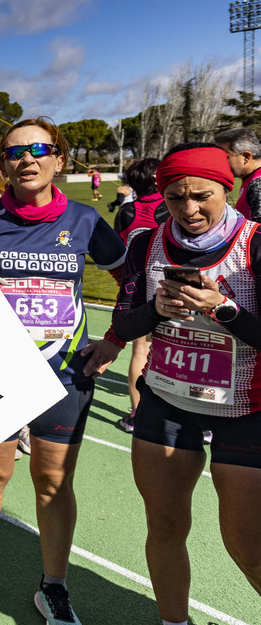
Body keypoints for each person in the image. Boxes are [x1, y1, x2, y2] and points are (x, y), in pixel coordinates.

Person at [0, 118, 126, 625]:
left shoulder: (87, 220)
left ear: (59, 160)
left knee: (52, 482)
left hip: (64, 375)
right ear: (2, 164)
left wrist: (113, 339)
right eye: (13, 152)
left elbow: (132, 282)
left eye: (39, 149)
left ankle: (54, 586)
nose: (26, 160)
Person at [111, 144, 261, 625]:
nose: (190, 209)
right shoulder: (144, 245)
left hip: (245, 409)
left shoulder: (255, 244)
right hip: (166, 400)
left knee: (247, 545)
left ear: (228, 189)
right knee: (166, 526)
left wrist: (223, 309)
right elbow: (125, 324)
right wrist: (157, 309)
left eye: (202, 196)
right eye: (176, 198)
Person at [111, 158, 168, 433]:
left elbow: (118, 249)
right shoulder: (169, 206)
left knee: (140, 350)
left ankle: (137, 414)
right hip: (170, 286)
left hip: (136, 288)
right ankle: (200, 419)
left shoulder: (126, 211)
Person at [214, 127, 261, 222]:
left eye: (226, 157)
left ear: (246, 157)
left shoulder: (258, 184)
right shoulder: (250, 178)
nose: (220, 162)